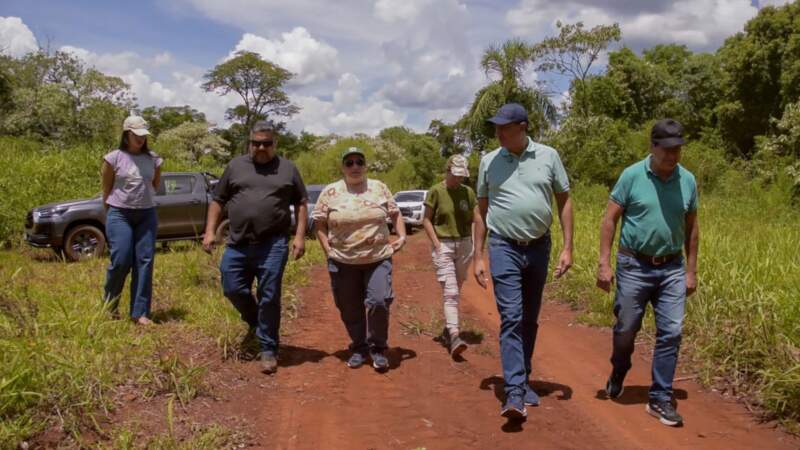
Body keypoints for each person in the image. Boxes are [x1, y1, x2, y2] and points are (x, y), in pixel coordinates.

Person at [596, 118, 699, 427]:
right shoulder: (632, 176)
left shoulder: (687, 180)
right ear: (653, 147)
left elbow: (692, 227)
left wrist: (691, 270)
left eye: (677, 149)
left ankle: (660, 398)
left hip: (672, 268)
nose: (673, 155)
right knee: (626, 329)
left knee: (672, 332)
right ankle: (619, 368)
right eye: (667, 149)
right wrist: (604, 262)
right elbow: (609, 220)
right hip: (634, 266)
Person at [473, 103, 574, 419]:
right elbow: (481, 210)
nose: (498, 132)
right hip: (504, 246)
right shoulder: (489, 161)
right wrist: (478, 255)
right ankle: (514, 392)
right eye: (496, 127)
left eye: (505, 127)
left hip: (539, 246)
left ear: (523, 127)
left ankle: (524, 378)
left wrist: (568, 247)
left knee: (529, 318)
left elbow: (565, 200)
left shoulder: (548, 156)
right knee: (513, 316)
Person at [202, 120, 308, 374]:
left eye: (266, 143)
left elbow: (301, 203)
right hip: (237, 243)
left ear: (275, 143)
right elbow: (218, 200)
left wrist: (300, 236)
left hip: (273, 243)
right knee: (232, 287)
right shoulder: (235, 166)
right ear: (249, 143)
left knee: (269, 295)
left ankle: (268, 349)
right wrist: (209, 231)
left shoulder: (288, 169)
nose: (261, 147)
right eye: (256, 143)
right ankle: (256, 322)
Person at [313, 147, 406, 372]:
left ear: (365, 165)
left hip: (377, 258)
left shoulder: (379, 187)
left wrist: (402, 235)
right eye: (349, 163)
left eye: (359, 162)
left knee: (379, 301)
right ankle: (359, 347)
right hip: (343, 261)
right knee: (349, 307)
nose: (355, 166)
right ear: (343, 167)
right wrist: (328, 249)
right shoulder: (330, 191)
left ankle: (378, 348)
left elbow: (395, 213)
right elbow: (319, 223)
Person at [101, 115, 163, 325]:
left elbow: (154, 185)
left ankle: (140, 312)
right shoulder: (113, 158)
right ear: (126, 135)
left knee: (144, 262)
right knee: (121, 260)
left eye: (143, 136)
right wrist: (110, 209)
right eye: (136, 136)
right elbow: (106, 189)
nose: (141, 140)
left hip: (147, 214)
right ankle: (109, 306)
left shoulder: (153, 159)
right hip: (120, 214)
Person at [421, 154, 480, 358]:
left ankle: (449, 327)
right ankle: (455, 334)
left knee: (457, 287)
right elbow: (426, 220)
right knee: (451, 291)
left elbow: (476, 218)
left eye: (461, 176)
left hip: (464, 245)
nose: (458, 179)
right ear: (447, 171)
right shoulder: (436, 191)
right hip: (444, 244)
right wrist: (436, 244)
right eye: (455, 175)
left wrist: (474, 244)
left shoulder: (468, 192)